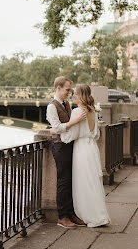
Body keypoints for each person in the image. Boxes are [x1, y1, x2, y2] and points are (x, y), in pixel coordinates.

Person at [51, 84, 111, 227]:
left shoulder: (78, 112)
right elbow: (96, 135)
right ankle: (99, 214)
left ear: (81, 96)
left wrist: (55, 131)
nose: (73, 95)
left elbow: (70, 136)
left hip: (81, 150)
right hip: (92, 149)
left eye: (76, 93)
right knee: (93, 182)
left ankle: (88, 215)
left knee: (83, 184)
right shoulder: (93, 111)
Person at [46, 76, 87, 229]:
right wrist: (74, 122)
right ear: (58, 88)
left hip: (69, 144)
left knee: (70, 180)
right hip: (60, 147)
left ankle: (70, 213)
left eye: (70, 90)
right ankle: (62, 217)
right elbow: (56, 128)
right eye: (67, 90)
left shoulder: (66, 103)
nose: (69, 93)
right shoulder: (52, 106)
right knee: (63, 182)